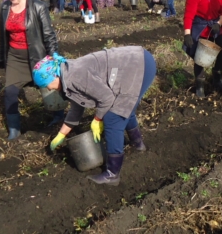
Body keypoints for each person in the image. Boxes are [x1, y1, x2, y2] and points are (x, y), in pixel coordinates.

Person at [35, 46, 155, 186]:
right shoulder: (67, 75)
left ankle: (112, 174)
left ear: (54, 75)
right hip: (138, 61)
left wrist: (98, 119)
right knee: (124, 108)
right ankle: (137, 144)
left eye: (46, 84)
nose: (49, 89)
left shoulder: (74, 76)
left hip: (137, 66)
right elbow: (76, 109)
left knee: (112, 118)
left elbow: (107, 98)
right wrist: (61, 134)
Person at [0, 0, 59, 140]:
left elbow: (48, 34)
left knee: (48, 87)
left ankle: (59, 116)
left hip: (37, 56)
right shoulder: (5, 8)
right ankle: (14, 129)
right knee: (10, 92)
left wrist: (53, 57)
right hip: (15, 57)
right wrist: (1, 56)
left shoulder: (38, 6)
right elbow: (2, 36)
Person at [183, 0, 222, 98]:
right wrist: (187, 34)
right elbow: (189, 16)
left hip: (215, 26)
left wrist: (218, 24)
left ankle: (217, 80)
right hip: (201, 27)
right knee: (200, 57)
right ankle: (200, 87)